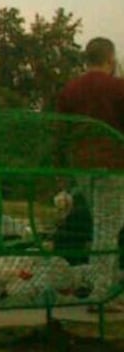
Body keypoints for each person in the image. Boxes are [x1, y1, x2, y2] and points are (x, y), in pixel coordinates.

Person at [56, 37, 124, 304]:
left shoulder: (71, 90)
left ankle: (96, 281)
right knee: (108, 228)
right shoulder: (117, 88)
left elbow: (61, 131)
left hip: (83, 166)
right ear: (111, 58)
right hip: (114, 166)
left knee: (104, 224)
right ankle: (101, 293)